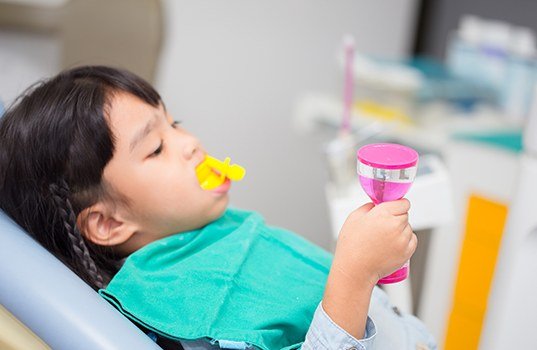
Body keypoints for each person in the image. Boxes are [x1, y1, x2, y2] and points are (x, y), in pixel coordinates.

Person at [0, 66, 436, 350]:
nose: (190, 144)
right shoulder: (190, 311)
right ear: (109, 222)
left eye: (176, 125)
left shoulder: (214, 234)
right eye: (155, 148)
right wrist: (354, 274)